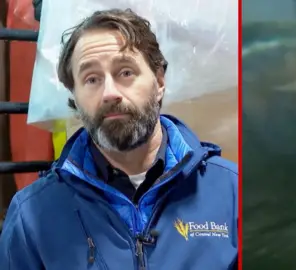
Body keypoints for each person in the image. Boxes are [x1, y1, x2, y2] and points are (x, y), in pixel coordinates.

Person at [0, 8, 238, 270]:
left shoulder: (233, 192)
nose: (109, 93)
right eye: (91, 79)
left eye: (125, 72)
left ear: (159, 82)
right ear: (75, 98)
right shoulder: (32, 216)